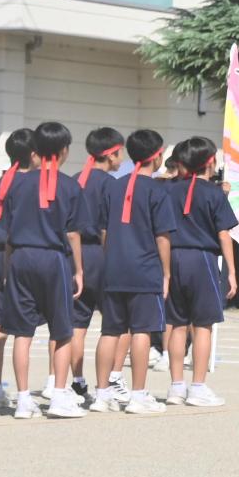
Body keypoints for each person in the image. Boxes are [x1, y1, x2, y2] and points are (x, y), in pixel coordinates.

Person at [0, 121, 84, 419]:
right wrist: (79, 270)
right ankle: (59, 396)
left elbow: (8, 231)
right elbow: (73, 233)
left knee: (22, 333)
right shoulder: (71, 186)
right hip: (53, 258)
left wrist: (10, 266)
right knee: (62, 331)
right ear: (63, 151)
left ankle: (23, 400)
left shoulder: (16, 183)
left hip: (21, 256)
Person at [97, 128, 176, 415]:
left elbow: (104, 230)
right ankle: (139, 394)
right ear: (157, 156)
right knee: (141, 330)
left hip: (115, 267)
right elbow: (162, 237)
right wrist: (166, 272)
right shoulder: (158, 190)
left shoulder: (113, 186)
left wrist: (112, 256)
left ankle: (101, 393)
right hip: (145, 269)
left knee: (110, 331)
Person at [162, 135, 236, 408]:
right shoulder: (215, 193)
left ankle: (176, 386)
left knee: (177, 324)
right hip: (202, 258)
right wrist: (231, 272)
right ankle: (198, 386)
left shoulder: (169, 190)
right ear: (210, 162)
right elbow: (224, 234)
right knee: (203, 325)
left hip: (173, 255)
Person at [67, 127, 125, 397]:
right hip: (102, 256)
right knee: (116, 324)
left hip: (76, 256)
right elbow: (108, 228)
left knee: (77, 324)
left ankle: (77, 380)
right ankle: (113, 379)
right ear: (111, 154)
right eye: (120, 152)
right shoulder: (112, 185)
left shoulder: (76, 179)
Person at [0, 128, 34, 410]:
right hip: (26, 254)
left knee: (0, 324)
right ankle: (51, 387)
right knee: (32, 328)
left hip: (1, 254)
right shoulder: (36, 183)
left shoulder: (2, 182)